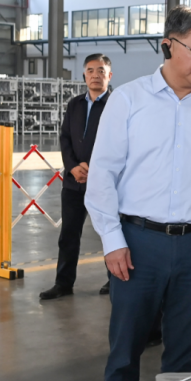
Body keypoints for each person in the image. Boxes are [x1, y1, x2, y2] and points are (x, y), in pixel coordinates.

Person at [85, 5, 191, 381]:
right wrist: (112, 240)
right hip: (139, 244)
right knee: (125, 350)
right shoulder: (129, 100)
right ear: (169, 45)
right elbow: (102, 175)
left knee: (185, 353)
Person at [40, 54, 113, 300]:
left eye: (101, 70)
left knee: (110, 233)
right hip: (73, 182)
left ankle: (115, 281)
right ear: (84, 75)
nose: (95, 75)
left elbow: (118, 143)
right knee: (68, 235)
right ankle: (63, 283)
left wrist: (93, 169)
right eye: (90, 70)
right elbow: (65, 138)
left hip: (103, 183)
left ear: (109, 75)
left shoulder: (116, 105)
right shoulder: (75, 104)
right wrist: (72, 167)